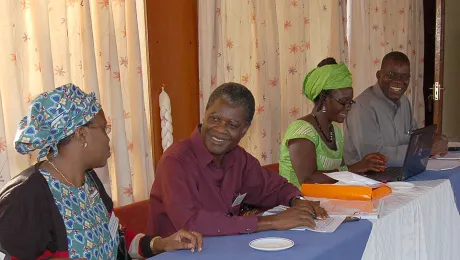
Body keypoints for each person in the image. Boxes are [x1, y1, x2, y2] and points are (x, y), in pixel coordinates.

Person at [0, 84, 203, 259]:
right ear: (81, 135)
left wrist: (162, 243)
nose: (108, 139)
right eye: (104, 129)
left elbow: (116, 239)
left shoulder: (88, 181)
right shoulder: (25, 197)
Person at [147, 82, 328, 238]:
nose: (220, 129)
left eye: (232, 125)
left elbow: (274, 188)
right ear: (205, 115)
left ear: (244, 130)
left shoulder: (237, 157)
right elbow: (191, 223)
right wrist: (271, 221)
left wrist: (297, 202)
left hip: (225, 248)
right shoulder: (176, 160)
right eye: (215, 118)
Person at [279, 58, 387, 188]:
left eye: (350, 102)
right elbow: (308, 180)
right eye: (343, 101)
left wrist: (365, 166)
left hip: (326, 201)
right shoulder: (301, 132)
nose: (348, 107)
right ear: (323, 99)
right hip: (298, 203)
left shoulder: (335, 132)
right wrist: (355, 168)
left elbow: (338, 174)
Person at [343, 51, 449, 166]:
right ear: (378, 75)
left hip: (398, 172)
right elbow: (373, 158)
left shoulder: (403, 101)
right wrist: (425, 149)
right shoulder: (362, 106)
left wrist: (432, 140)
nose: (398, 81)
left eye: (404, 76)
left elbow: (414, 138)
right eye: (390, 74)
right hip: (364, 179)